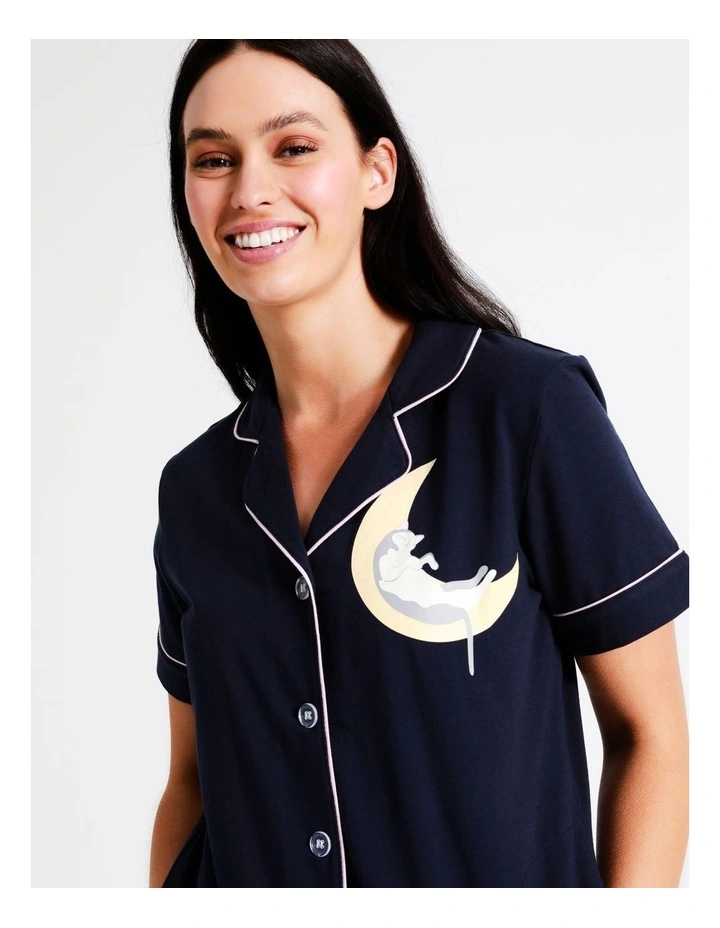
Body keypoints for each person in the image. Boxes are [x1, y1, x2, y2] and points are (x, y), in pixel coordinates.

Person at [148, 40, 689, 888]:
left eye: (294, 146)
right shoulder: (194, 491)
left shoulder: (524, 411)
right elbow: (190, 782)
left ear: (377, 172)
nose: (250, 189)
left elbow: (649, 735)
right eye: (214, 159)